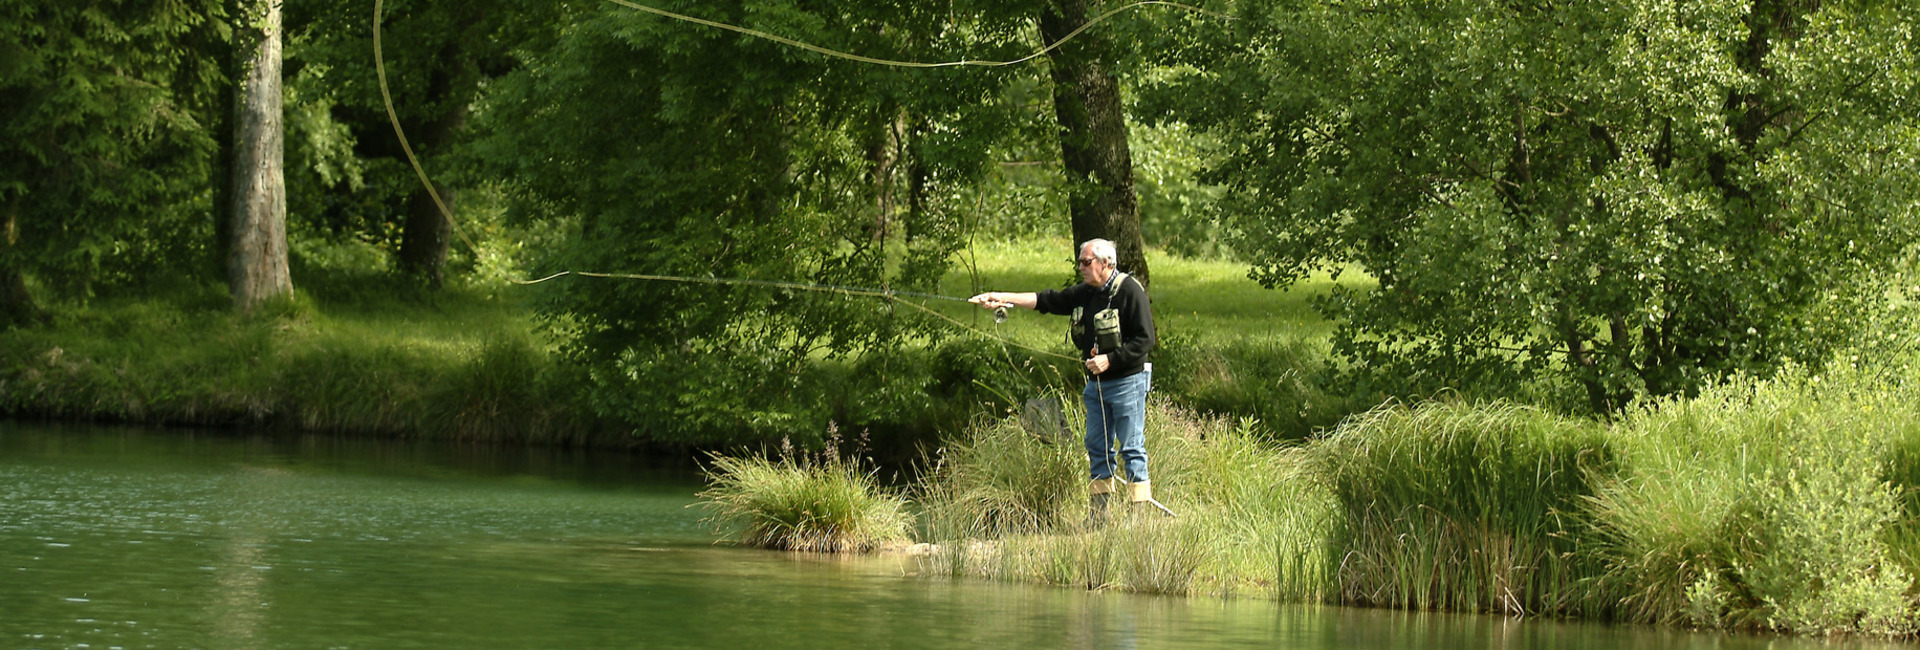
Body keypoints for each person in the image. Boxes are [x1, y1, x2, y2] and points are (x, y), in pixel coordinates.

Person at [969, 238, 1157, 523]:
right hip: (1095, 386)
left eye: (1086, 262)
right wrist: (1001, 297)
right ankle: (1099, 516)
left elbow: (1145, 340)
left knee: (1131, 447)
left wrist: (1111, 360)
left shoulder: (1130, 291)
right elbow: (1046, 300)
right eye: (1079, 262)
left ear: (1106, 263)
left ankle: (1139, 519)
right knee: (1097, 447)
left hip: (1127, 382)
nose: (1080, 267)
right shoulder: (1085, 293)